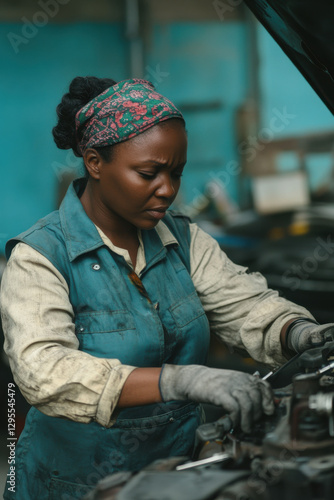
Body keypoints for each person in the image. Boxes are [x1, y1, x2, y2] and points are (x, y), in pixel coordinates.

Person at [1, 76, 334, 500]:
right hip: (72, 485)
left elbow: (246, 307)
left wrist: (299, 333)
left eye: (176, 173)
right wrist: (179, 380)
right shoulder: (41, 256)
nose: (168, 190)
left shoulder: (185, 240)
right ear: (94, 162)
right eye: (148, 173)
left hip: (177, 478)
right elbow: (43, 372)